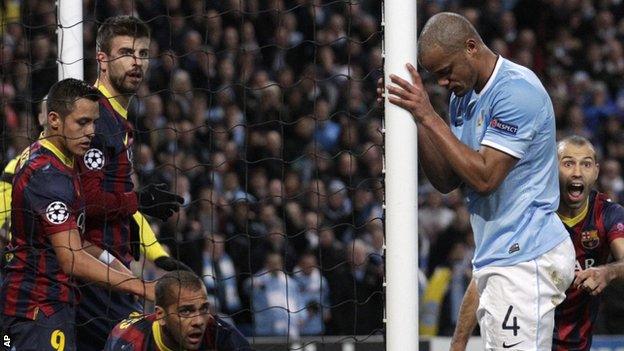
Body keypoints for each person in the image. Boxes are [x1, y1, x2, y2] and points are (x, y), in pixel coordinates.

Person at [383, 12, 575, 350]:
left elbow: (485, 177)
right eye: (435, 77)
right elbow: (445, 180)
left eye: (445, 72)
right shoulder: (462, 98)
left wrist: (429, 115)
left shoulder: (517, 91)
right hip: (501, 253)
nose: (442, 83)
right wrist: (421, 119)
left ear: (471, 47)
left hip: (526, 253)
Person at [0, 78, 155, 351]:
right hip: (37, 312)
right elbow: (72, 259)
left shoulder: (59, 159)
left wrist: (113, 262)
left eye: (94, 122)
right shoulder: (48, 177)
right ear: (54, 119)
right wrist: (139, 286)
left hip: (33, 308)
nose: (91, 131)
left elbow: (75, 241)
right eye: (82, 122)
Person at [76, 16, 189, 351]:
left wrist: (158, 255)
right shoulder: (91, 120)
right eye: (126, 52)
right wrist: (138, 200)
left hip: (111, 270)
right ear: (102, 58)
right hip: (91, 278)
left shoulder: (117, 120)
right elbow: (86, 203)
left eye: (142, 53)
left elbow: (118, 200)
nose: (136, 62)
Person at [450, 136, 624, 350]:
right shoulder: (525, 214)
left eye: (586, 164)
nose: (577, 172)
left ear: (596, 171)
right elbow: (486, 275)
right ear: (551, 166)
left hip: (575, 343)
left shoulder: (607, 214)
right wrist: (458, 344)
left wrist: (608, 272)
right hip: (525, 338)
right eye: (568, 163)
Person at [104, 270, 252, 351]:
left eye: (204, 309)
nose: (199, 321)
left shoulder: (223, 337)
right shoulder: (129, 342)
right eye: (186, 311)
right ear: (161, 315)